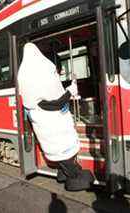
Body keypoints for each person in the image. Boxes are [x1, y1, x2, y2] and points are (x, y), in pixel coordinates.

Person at [17, 42, 94, 191]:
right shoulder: (39, 78)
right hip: (56, 133)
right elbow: (56, 104)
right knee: (65, 156)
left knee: (62, 157)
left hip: (47, 131)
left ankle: (62, 174)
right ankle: (73, 179)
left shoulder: (26, 78)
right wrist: (70, 91)